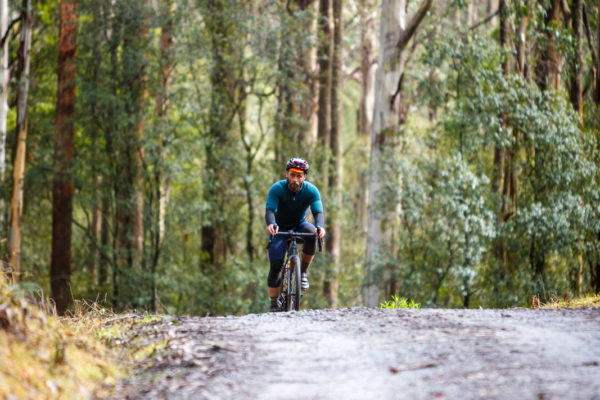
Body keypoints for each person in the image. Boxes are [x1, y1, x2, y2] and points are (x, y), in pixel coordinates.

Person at [265, 157, 326, 312]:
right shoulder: (277, 188)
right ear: (287, 174)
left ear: (304, 177)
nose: (295, 179)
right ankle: (273, 303)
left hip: (299, 224)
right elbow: (270, 210)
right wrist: (271, 224)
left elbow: (318, 211)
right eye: (292, 175)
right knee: (276, 265)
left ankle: (303, 272)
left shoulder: (311, 191)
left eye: (299, 176)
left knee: (312, 233)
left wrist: (320, 227)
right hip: (280, 228)